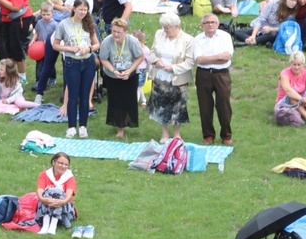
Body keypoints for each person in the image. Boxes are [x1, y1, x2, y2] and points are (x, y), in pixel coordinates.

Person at [53, 0, 100, 139]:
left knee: (85, 96)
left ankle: (83, 126)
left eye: (85, 10)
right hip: (71, 62)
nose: (83, 12)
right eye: (80, 9)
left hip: (87, 61)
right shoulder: (64, 25)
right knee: (73, 96)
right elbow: (55, 45)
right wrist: (69, 48)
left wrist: (89, 48)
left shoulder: (89, 24)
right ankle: (72, 126)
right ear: (74, 9)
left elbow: (97, 44)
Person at [146, 12, 195, 143]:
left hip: (178, 78)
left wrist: (172, 68)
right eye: (164, 27)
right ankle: (164, 133)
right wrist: (156, 61)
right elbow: (151, 53)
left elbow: (190, 62)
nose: (165, 30)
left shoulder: (188, 39)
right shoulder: (159, 34)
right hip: (160, 76)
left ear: (176, 26)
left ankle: (176, 134)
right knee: (160, 105)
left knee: (178, 107)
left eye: (168, 27)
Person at [99, 18, 144, 138]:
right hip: (112, 75)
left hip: (130, 74)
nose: (116, 34)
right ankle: (120, 128)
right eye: (113, 31)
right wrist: (113, 71)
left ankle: (129, 123)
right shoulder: (107, 41)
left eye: (119, 32)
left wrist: (129, 71)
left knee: (129, 100)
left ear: (125, 32)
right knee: (116, 101)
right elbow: (103, 58)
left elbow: (140, 57)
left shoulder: (133, 41)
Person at [194, 13, 234, 145]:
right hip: (203, 74)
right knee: (205, 106)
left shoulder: (225, 36)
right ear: (202, 26)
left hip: (221, 74)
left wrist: (209, 58)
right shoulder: (198, 39)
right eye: (207, 23)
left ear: (217, 24)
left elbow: (227, 57)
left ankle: (226, 135)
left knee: (224, 106)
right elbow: (199, 59)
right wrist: (218, 57)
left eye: (213, 22)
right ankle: (208, 135)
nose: (210, 25)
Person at [275, 51, 306, 126]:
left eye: (299, 65)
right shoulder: (285, 73)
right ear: (291, 63)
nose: (296, 67)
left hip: (301, 100)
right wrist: (302, 100)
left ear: (303, 64)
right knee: (291, 95)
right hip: (285, 102)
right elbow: (287, 90)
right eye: (294, 64)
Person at [36, 152, 76, 235]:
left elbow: (69, 194)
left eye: (66, 164)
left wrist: (62, 202)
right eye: (61, 163)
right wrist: (43, 199)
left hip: (65, 211)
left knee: (58, 192)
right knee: (49, 192)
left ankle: (53, 225)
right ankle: (46, 225)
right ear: (53, 162)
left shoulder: (69, 177)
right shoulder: (44, 175)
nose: (63, 166)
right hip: (46, 206)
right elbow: (40, 191)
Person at [30, 2, 57, 103]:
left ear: (52, 13)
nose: (45, 17)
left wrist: (50, 41)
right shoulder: (39, 23)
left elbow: (57, 35)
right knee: (40, 64)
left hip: (50, 48)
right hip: (39, 48)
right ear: (40, 13)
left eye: (48, 15)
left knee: (49, 64)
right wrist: (33, 40)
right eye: (43, 14)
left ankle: (52, 78)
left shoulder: (55, 24)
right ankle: (38, 81)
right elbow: (37, 32)